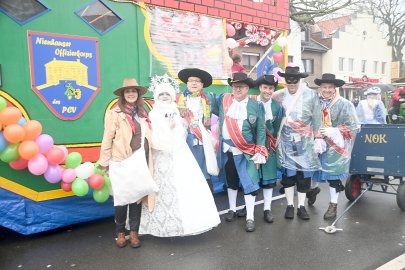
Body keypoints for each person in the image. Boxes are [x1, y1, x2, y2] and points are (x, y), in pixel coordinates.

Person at [139, 74, 220, 237]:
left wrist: (174, 130)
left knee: (198, 181)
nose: (163, 97)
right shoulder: (153, 114)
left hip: (181, 149)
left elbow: (181, 131)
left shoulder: (205, 100)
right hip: (162, 154)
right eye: (161, 95)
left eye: (166, 95)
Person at [98, 78, 154, 248]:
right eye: (127, 91)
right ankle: (121, 233)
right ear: (123, 95)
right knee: (122, 199)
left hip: (139, 161)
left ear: (138, 95)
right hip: (121, 160)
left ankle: (134, 233)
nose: (131, 94)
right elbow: (107, 138)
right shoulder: (114, 114)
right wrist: (104, 162)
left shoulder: (143, 114)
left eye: (134, 91)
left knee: (136, 197)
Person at [211, 72, 268, 232]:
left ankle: (250, 217)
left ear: (248, 88)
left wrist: (260, 150)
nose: (237, 89)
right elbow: (207, 104)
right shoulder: (224, 100)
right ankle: (232, 209)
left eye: (241, 86)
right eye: (235, 86)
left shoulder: (256, 106)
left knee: (250, 183)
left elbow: (261, 130)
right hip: (228, 149)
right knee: (231, 180)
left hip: (247, 150)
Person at [272, 66, 321, 220]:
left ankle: (301, 206)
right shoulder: (278, 96)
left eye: (295, 80)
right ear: (285, 80)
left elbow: (317, 117)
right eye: (289, 80)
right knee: (288, 175)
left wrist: (317, 137)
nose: (292, 83)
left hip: (304, 142)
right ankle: (289, 206)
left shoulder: (310, 95)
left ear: (299, 80)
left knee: (303, 176)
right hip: (286, 142)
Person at [310, 73, 361, 220]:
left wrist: (336, 131)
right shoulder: (314, 102)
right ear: (320, 88)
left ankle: (333, 205)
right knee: (313, 170)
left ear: (335, 88)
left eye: (330, 87)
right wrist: (315, 136)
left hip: (335, 147)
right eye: (324, 87)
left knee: (333, 176)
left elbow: (354, 126)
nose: (327, 90)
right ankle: (313, 190)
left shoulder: (344, 104)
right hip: (316, 143)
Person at [176, 68, 214, 190]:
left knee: (203, 170)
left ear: (202, 84)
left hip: (201, 140)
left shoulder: (208, 99)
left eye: (197, 81)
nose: (193, 83)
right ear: (186, 83)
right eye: (191, 81)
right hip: (184, 140)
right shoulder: (177, 99)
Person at [254, 74, 282, 223]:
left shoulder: (277, 107)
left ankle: (267, 208)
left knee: (269, 179)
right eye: (265, 87)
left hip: (269, 146)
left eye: (270, 88)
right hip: (253, 146)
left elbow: (277, 129)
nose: (267, 91)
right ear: (260, 87)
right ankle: (249, 207)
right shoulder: (251, 103)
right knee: (253, 177)